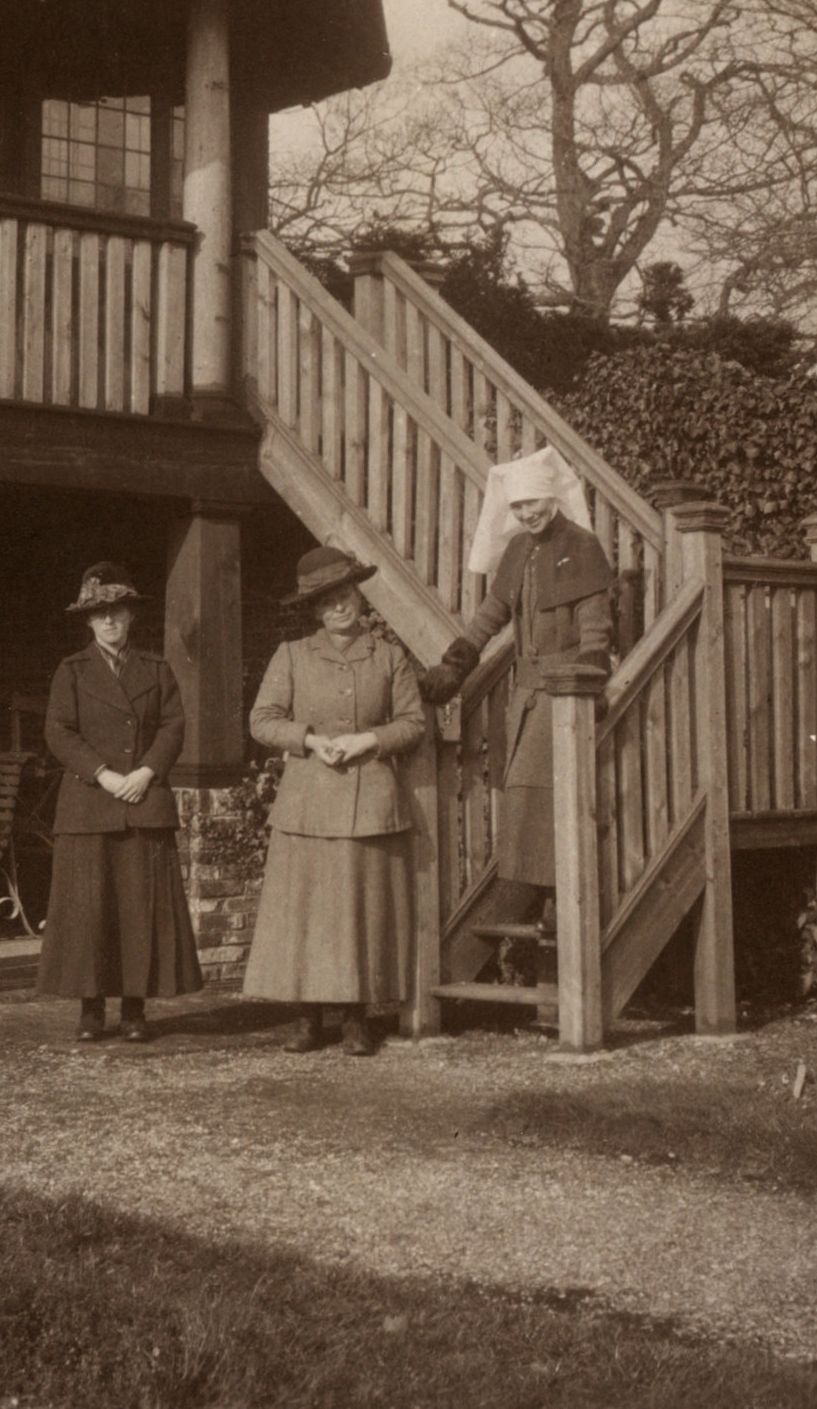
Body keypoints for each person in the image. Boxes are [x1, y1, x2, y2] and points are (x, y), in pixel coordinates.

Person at [243, 546, 425, 1055]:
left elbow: (414, 723)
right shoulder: (293, 655)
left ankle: (356, 1020)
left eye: (345, 594)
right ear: (315, 610)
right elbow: (261, 719)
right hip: (309, 803)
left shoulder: (389, 655)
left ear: (358, 596)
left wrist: (370, 741)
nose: (339, 606)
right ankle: (306, 1018)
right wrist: (308, 740)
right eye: (327, 601)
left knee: (358, 913)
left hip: (370, 804)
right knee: (307, 913)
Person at [419, 449, 613, 894]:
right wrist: (457, 661)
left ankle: (548, 894)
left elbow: (595, 625)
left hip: (565, 690)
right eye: (518, 506)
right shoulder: (519, 549)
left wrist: (590, 681)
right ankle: (541, 891)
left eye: (533, 503)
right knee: (520, 790)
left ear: (551, 498)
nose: (526, 513)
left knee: (540, 793)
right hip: (524, 694)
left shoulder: (582, 545)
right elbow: (493, 611)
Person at [37, 562, 203, 1041]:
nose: (110, 621)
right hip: (91, 803)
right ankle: (91, 1011)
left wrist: (146, 772)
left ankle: (134, 1010)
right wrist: (105, 775)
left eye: (118, 611)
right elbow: (58, 732)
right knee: (90, 911)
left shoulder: (157, 668)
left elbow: (174, 726)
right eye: (99, 614)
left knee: (139, 911)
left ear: (131, 616)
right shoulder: (71, 671)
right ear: (88, 621)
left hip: (144, 801)